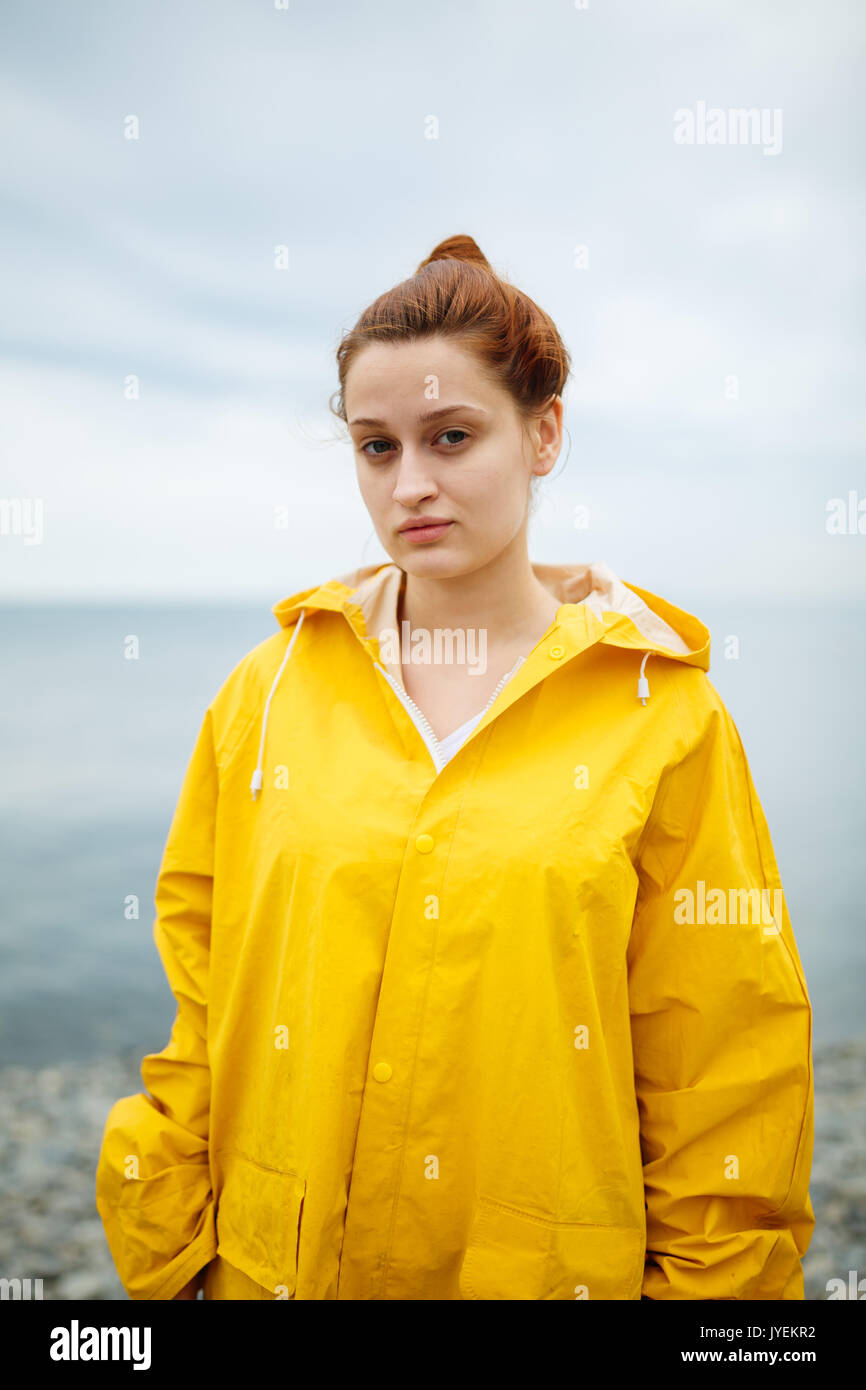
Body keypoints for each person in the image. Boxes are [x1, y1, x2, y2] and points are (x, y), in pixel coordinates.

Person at [95, 235, 815, 1301]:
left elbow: (723, 1058)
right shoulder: (270, 690)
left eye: (451, 435)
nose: (411, 485)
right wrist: (176, 1257)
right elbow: (205, 995)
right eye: (377, 448)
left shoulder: (662, 716)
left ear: (542, 433)